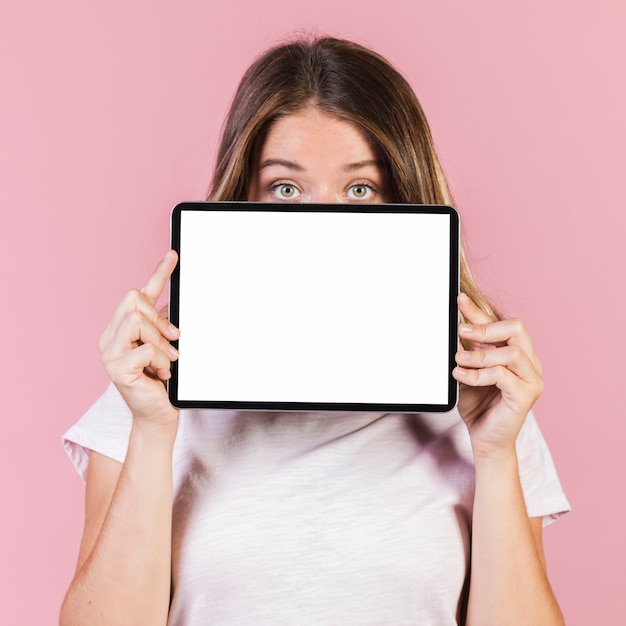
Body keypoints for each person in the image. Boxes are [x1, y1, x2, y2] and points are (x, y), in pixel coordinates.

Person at [60, 37, 570, 625]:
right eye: (286, 189)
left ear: (406, 198)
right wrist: (152, 433)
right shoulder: (146, 394)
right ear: (241, 198)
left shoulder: (486, 405)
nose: (324, 220)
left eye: (360, 189)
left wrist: (495, 450)